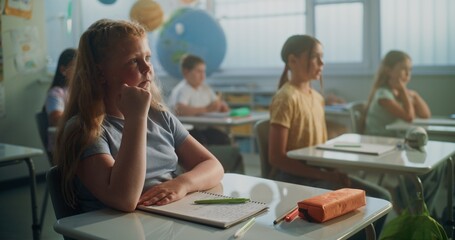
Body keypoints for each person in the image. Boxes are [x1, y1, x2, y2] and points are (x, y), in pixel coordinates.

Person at [53, 19, 224, 213]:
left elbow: (213, 165)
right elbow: (124, 199)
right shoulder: (85, 129)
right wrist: (136, 118)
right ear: (100, 73)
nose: (147, 68)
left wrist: (182, 184)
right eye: (134, 61)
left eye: (148, 58)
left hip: (165, 221)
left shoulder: (160, 117)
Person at [268, 35, 391, 236]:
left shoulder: (317, 98)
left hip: (320, 172)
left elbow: (317, 147)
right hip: (295, 177)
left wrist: (333, 170)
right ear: (293, 61)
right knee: (359, 210)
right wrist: (326, 175)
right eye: (316, 57)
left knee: (381, 198)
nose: (322, 63)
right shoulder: (286, 98)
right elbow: (276, 157)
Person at [364, 50, 431, 136]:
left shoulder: (398, 93)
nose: (408, 74)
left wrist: (414, 94)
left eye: (410, 69)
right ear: (389, 71)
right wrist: (403, 91)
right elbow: (409, 117)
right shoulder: (383, 95)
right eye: (403, 69)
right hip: (378, 139)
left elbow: (425, 115)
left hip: (391, 138)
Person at [168, 54, 230, 145]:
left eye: (203, 72)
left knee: (223, 138)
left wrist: (221, 107)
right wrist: (206, 109)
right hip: (186, 131)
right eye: (198, 72)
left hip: (204, 129)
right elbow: (180, 109)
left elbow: (217, 104)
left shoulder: (205, 88)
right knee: (201, 140)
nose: (203, 76)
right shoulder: (182, 89)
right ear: (186, 72)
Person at [45, 48, 77, 127]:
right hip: (63, 137)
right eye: (75, 67)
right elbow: (56, 120)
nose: (79, 71)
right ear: (63, 70)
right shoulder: (56, 93)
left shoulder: (78, 90)